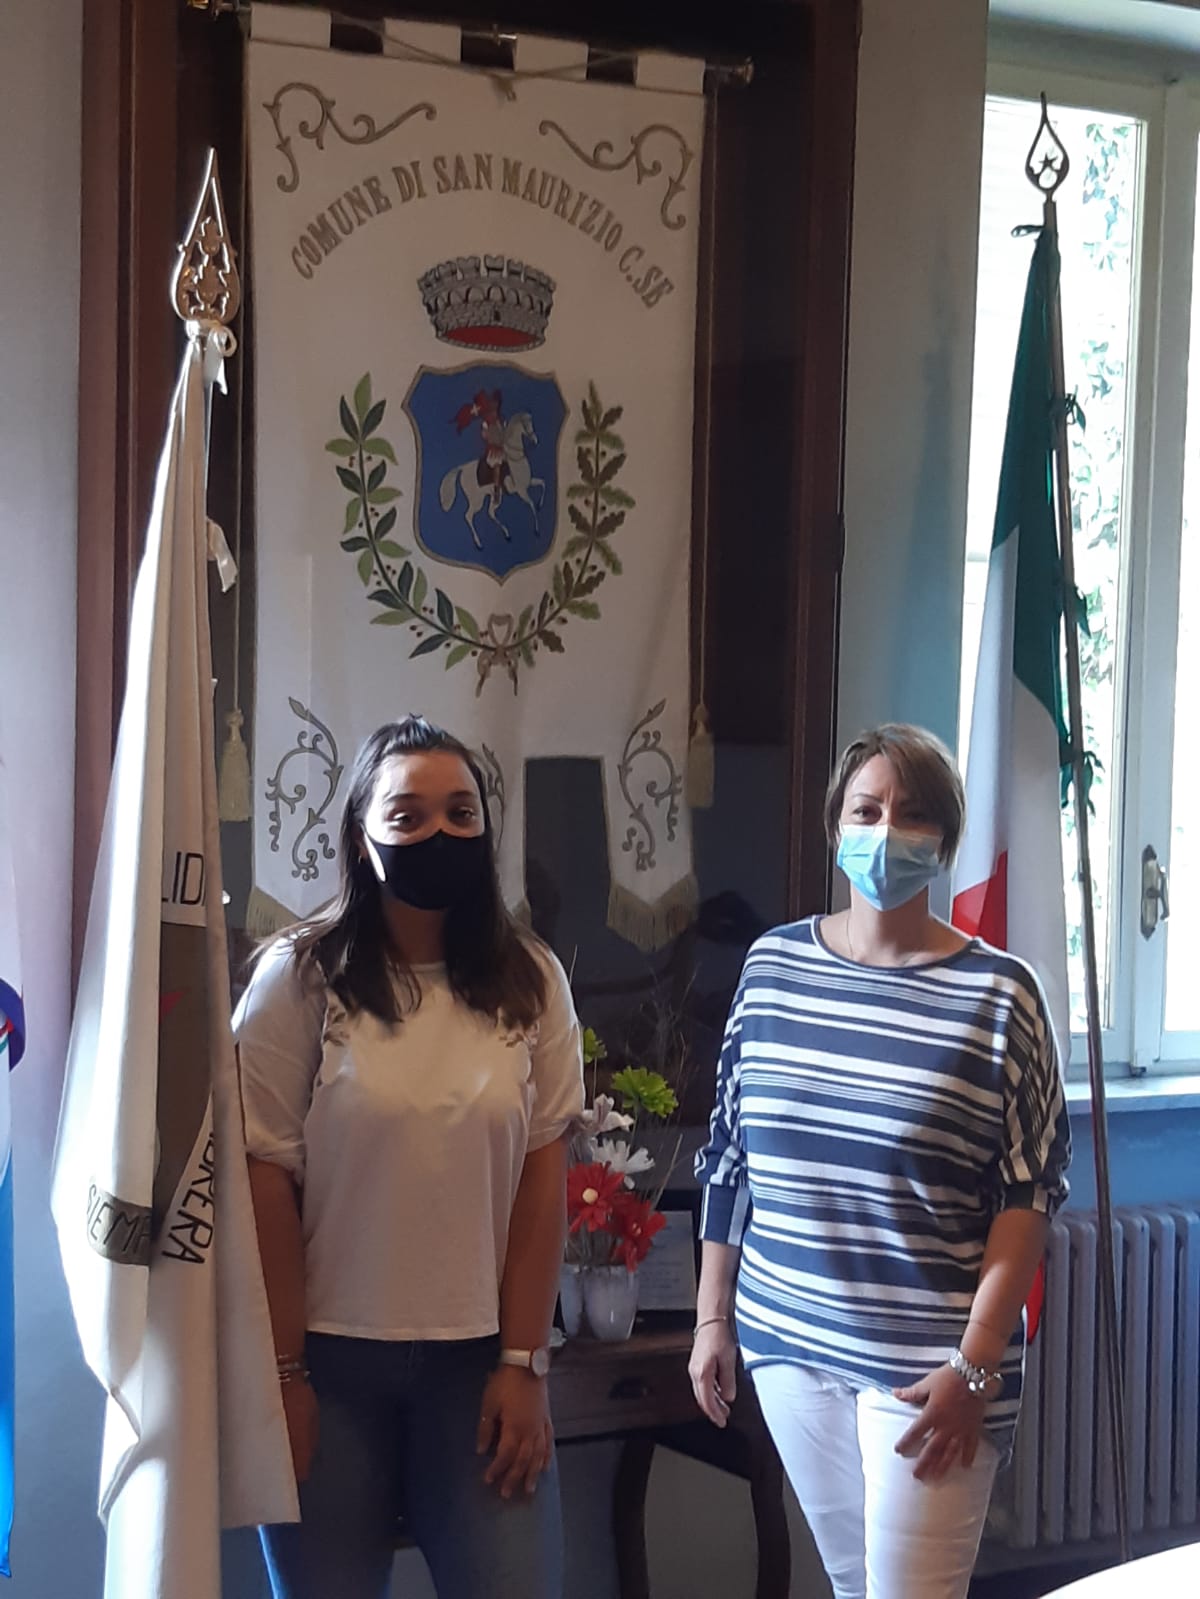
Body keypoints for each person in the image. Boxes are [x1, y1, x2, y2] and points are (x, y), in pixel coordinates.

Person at [689, 724, 1070, 1599]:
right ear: (836, 823)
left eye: (913, 813)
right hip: (788, 1341)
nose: (886, 829)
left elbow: (1030, 1192)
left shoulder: (1001, 994)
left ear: (945, 839)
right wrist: (713, 1318)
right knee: (853, 1584)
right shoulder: (772, 966)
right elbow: (730, 1154)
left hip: (932, 1367)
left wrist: (975, 1366)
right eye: (867, 810)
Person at [235, 715, 583, 1599]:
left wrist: (526, 1363)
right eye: (409, 814)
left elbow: (542, 1177)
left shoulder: (532, 978)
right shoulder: (298, 978)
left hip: (480, 1370)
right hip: (328, 1368)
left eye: (461, 812)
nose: (439, 832)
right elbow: (263, 1181)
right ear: (362, 835)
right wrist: (283, 1374)